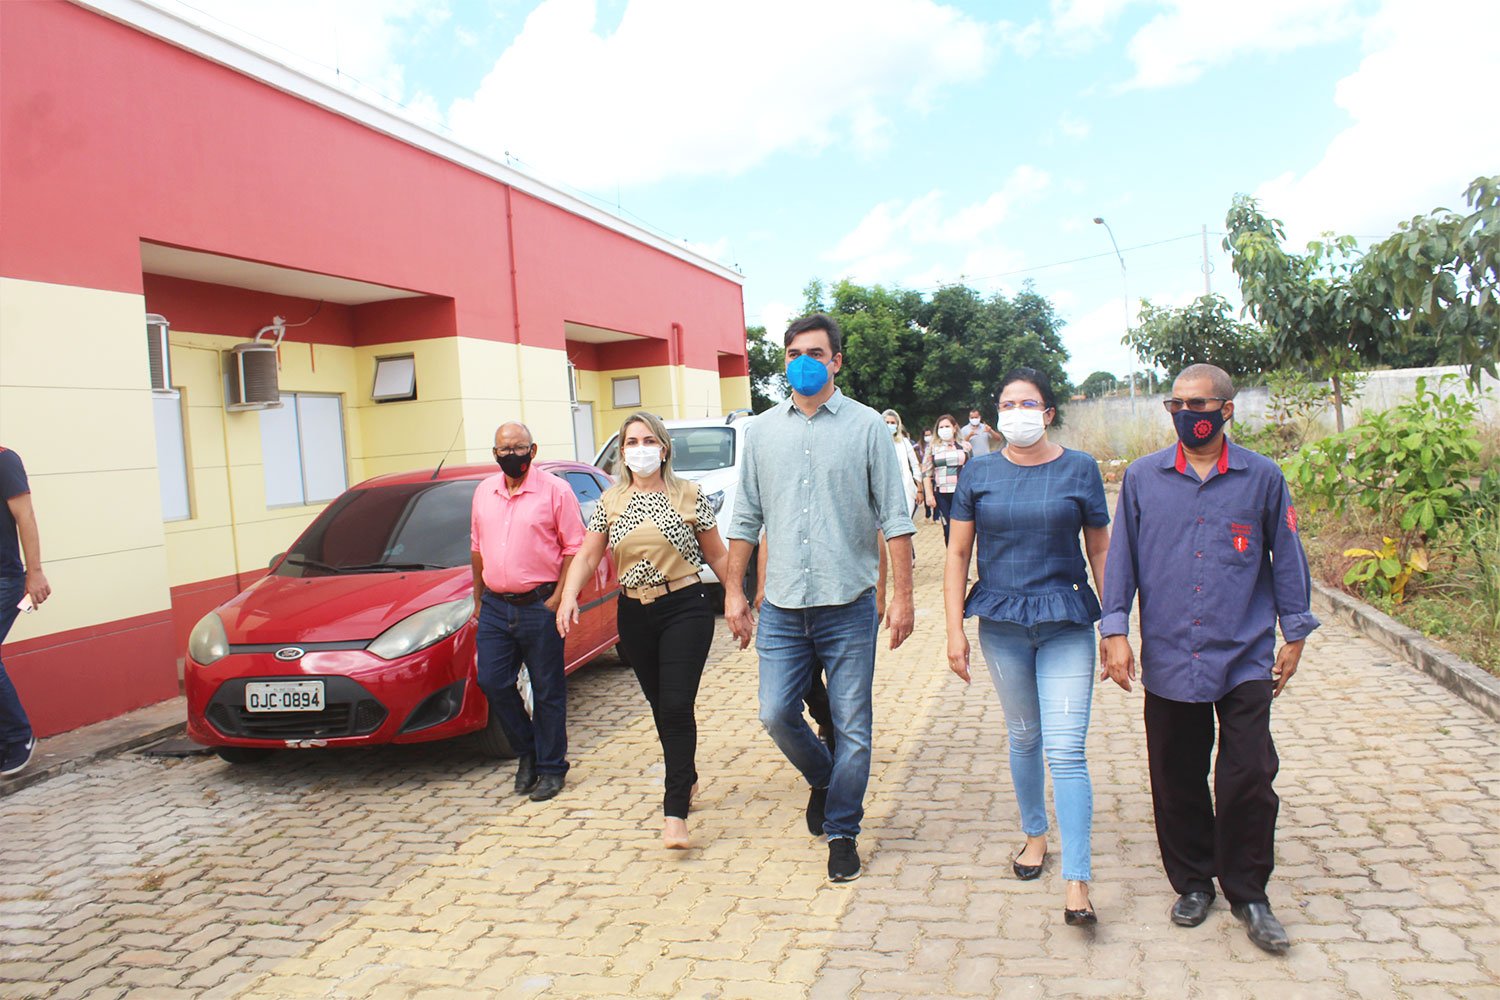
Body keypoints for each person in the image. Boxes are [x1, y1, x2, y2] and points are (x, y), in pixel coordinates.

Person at [1099, 363, 1319, 955]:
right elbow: (1122, 559)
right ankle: (1195, 882)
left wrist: (1295, 631)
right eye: (1177, 405)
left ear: (1226, 410)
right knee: (1176, 773)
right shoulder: (1143, 478)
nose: (1187, 414)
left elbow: (1287, 555)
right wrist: (1115, 629)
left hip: (1244, 651)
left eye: (1199, 404)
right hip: (1171, 651)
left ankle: (1249, 892)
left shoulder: (1261, 477)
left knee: (1250, 774)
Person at [724, 312, 916, 884]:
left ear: (836, 361)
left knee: (853, 727)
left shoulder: (867, 428)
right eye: (792, 354)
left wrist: (902, 598)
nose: (802, 363)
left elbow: (895, 518)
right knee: (775, 713)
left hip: (848, 604)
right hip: (782, 607)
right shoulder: (762, 432)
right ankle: (823, 777)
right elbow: (746, 517)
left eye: (814, 353)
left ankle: (843, 831)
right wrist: (734, 591)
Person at [943, 369, 1111, 926]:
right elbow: (957, 554)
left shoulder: (1080, 469)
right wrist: (953, 629)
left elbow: (1100, 550)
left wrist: (1115, 628)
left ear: (1048, 413)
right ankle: (1035, 835)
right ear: (997, 414)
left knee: (1066, 751)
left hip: (1066, 622)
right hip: (1002, 625)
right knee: (1023, 737)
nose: (1017, 412)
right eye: (1008, 403)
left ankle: (1078, 881)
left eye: (1028, 403)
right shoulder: (979, 472)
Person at [556, 411, 731, 848]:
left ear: (664, 448)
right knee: (660, 705)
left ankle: (675, 812)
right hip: (634, 612)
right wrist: (569, 594)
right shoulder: (611, 501)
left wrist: (738, 598)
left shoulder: (690, 495)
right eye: (631, 442)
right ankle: (687, 774)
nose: (640, 449)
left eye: (648, 440)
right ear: (621, 451)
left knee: (675, 704)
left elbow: (717, 555)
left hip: (685, 606)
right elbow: (587, 555)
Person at [471, 422, 584, 802]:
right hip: (495, 605)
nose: (511, 455)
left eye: (519, 448)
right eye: (504, 450)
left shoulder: (556, 490)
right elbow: (476, 548)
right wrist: (478, 597)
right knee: (492, 681)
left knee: (548, 689)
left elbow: (574, 548)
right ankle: (528, 750)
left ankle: (552, 768)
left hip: (540, 604)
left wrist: (561, 598)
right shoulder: (484, 491)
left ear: (533, 451)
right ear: (494, 454)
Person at [1, 446, 50, 778]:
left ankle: (19, 736)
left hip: (4, 579)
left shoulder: (4, 459)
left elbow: (26, 517)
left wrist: (35, 573)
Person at [922, 414, 970, 544]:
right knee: (948, 527)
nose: (944, 429)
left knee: (962, 526)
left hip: (961, 493)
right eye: (941, 427)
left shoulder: (964, 447)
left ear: (954, 428)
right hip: (942, 494)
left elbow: (971, 470)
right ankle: (951, 553)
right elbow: (926, 473)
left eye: (947, 426)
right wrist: (929, 495)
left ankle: (963, 553)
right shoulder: (933, 448)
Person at [881, 409, 923, 519]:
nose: (889, 425)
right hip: (885, 490)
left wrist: (919, 489)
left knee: (906, 520)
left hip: (906, 488)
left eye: (892, 423)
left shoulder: (904, 442)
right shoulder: (876, 443)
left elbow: (915, 465)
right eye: (887, 422)